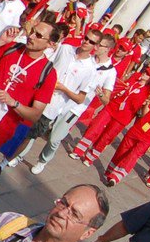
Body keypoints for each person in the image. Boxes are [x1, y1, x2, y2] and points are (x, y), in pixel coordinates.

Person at [0, 19, 64, 154]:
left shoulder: (49, 73)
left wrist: (14, 103)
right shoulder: (12, 48)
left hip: (0, 128)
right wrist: (0, 41)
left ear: (50, 44)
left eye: (38, 35)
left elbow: (35, 115)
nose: (31, 36)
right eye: (32, 31)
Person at [27, 31, 111, 174]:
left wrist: (100, 93)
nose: (86, 42)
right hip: (49, 100)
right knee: (32, 130)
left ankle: (43, 160)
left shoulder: (107, 71)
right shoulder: (66, 49)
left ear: (100, 48)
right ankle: (17, 156)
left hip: (73, 108)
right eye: (86, 38)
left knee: (54, 139)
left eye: (93, 42)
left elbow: (103, 99)